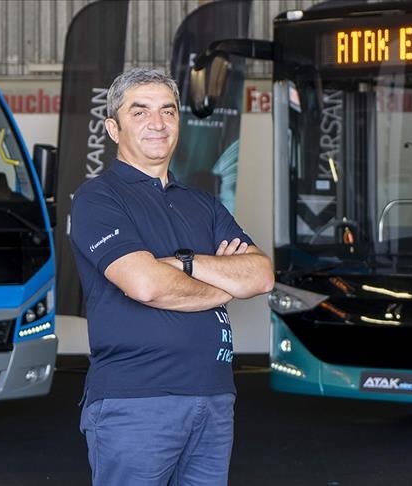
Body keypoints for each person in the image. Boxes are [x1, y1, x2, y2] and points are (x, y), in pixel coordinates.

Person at [68, 67, 275, 486]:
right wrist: (224, 285)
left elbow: (261, 276)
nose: (157, 122)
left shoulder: (203, 204)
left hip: (214, 396)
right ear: (113, 128)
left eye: (168, 110)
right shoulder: (98, 198)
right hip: (137, 400)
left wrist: (183, 262)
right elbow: (145, 284)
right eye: (139, 111)